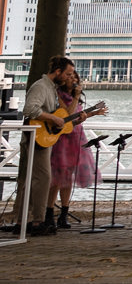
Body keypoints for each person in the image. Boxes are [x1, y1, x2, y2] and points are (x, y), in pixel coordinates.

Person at [16, 57, 75, 235]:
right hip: (36, 136)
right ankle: (37, 221)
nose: (69, 77)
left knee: (35, 179)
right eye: (67, 74)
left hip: (44, 136)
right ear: (57, 72)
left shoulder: (52, 89)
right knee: (43, 178)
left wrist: (59, 119)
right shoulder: (41, 86)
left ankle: (23, 220)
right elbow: (29, 109)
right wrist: (52, 118)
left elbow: (55, 115)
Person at [48, 65, 100, 229]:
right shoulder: (58, 95)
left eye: (76, 78)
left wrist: (90, 114)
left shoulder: (74, 96)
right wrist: (77, 96)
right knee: (57, 177)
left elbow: (74, 119)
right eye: (71, 77)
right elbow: (66, 115)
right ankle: (48, 213)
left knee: (68, 178)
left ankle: (64, 213)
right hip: (62, 139)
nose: (74, 80)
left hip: (76, 137)